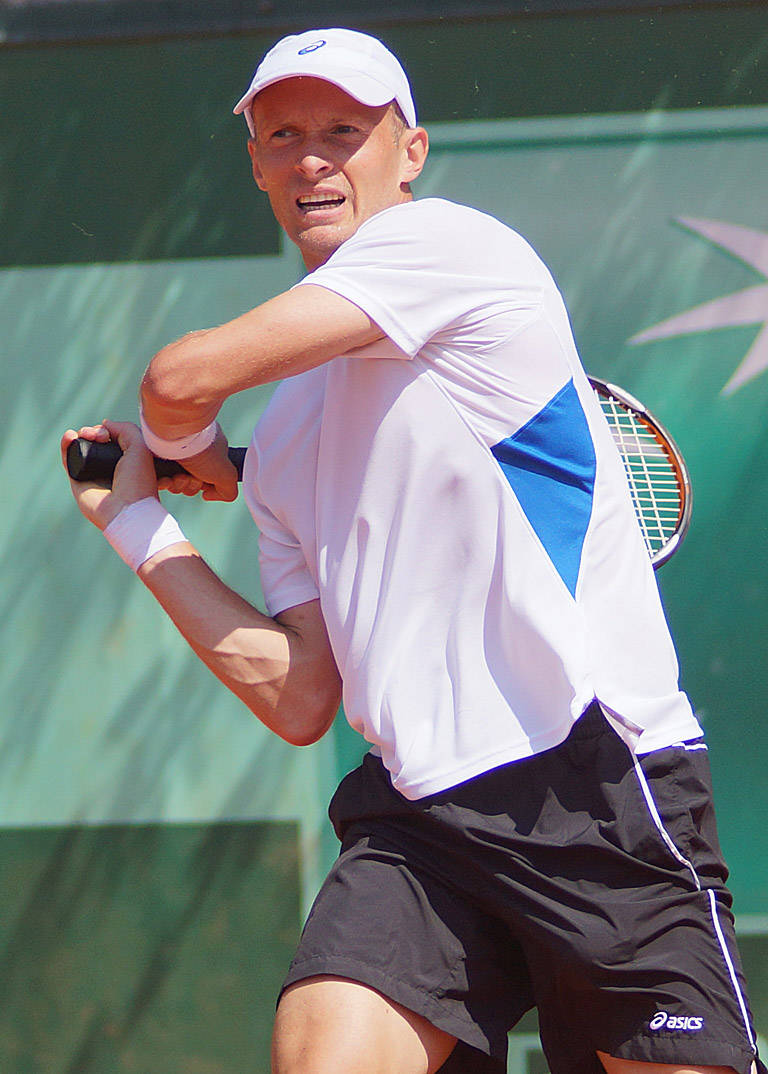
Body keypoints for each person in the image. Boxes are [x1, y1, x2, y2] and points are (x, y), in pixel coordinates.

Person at [62, 27, 764, 1074]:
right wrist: (140, 524)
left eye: (345, 131)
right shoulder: (294, 435)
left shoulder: (450, 247)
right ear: (254, 161)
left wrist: (188, 448)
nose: (312, 159)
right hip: (421, 819)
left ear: (411, 151)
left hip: (594, 780)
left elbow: (176, 380)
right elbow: (300, 695)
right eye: (283, 135)